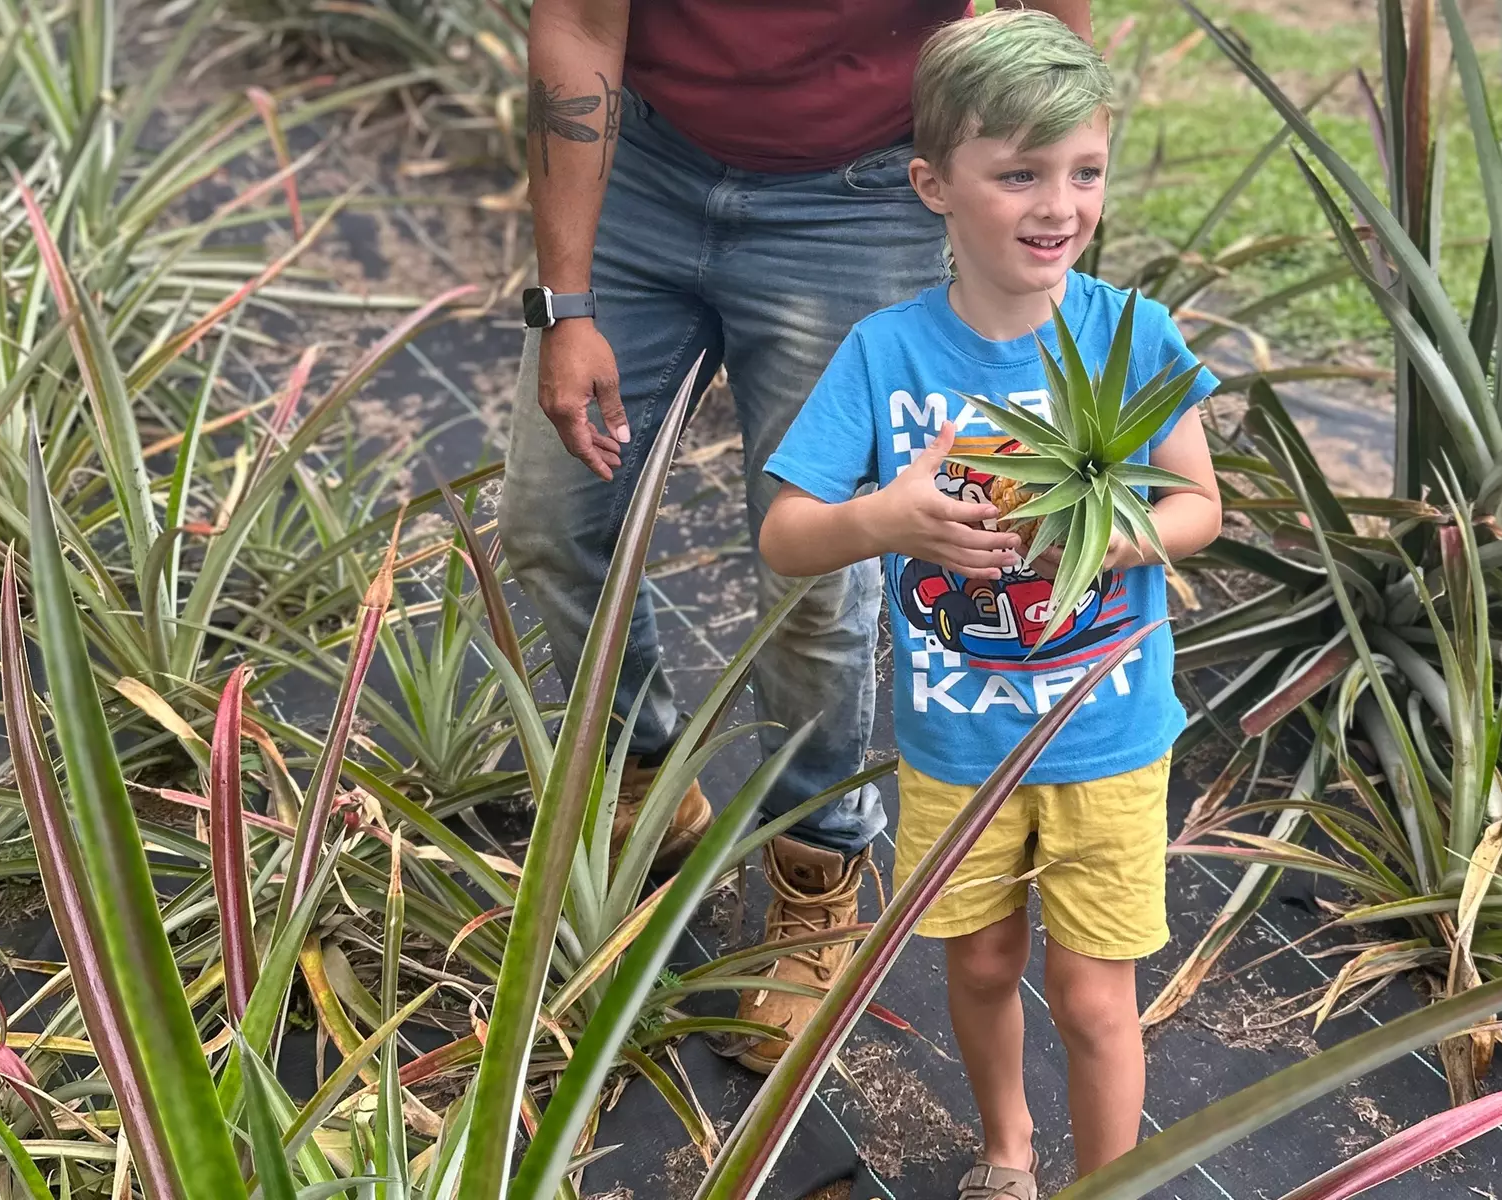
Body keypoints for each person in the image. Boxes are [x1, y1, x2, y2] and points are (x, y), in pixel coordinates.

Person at [504, 0, 1091, 1076]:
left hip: (857, 204)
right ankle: (644, 782)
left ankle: (816, 864)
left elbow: (1049, 28)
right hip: (643, 173)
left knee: (818, 580)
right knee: (552, 521)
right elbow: (579, 28)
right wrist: (565, 304)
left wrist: (1031, 259)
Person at [756, 12, 1222, 1195]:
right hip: (958, 741)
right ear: (934, 187)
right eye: (1019, 174)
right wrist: (885, 520)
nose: (1059, 205)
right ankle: (1008, 1151)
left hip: (1107, 732)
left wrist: (1100, 535)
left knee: (1094, 996)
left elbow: (1199, 507)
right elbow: (786, 536)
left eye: (1085, 171)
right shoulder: (886, 354)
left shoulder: (1132, 334)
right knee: (977, 964)